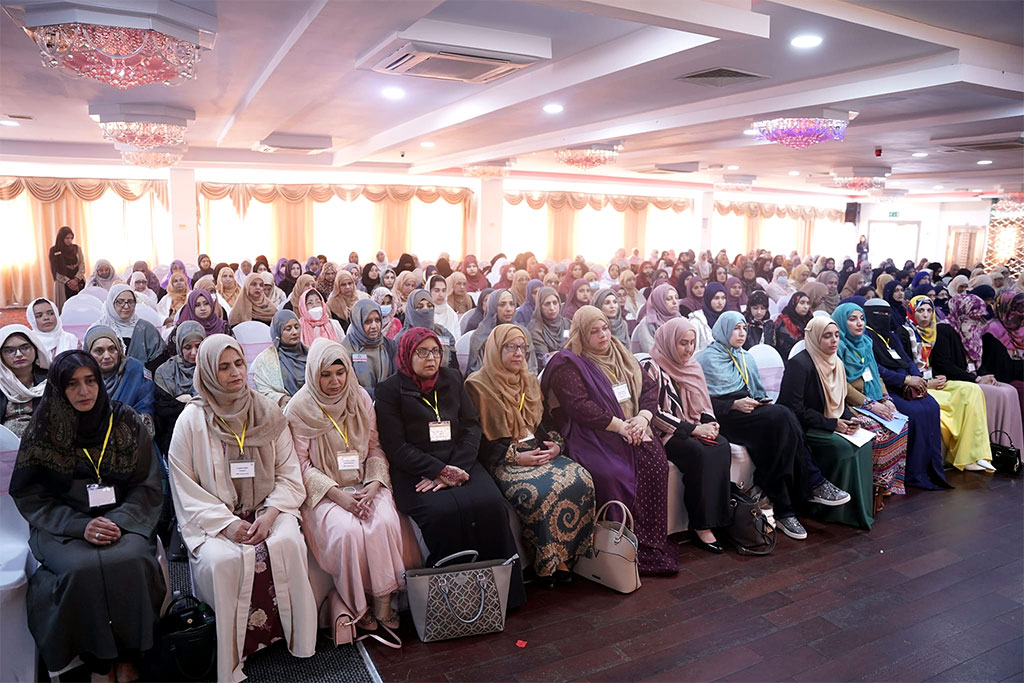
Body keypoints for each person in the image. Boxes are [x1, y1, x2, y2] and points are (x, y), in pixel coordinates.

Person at [167, 335, 317, 682]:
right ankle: (233, 652)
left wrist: (271, 512)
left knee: (287, 543)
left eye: (238, 363)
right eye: (224, 366)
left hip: (266, 508)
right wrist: (227, 524)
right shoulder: (192, 420)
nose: (235, 373)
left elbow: (289, 472)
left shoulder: (266, 410)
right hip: (215, 518)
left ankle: (290, 637)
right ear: (206, 372)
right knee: (222, 561)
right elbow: (184, 486)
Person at [11, 350, 164, 680]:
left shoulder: (123, 420)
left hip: (122, 518)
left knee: (132, 561)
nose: (84, 392)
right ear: (58, 388)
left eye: (90, 381)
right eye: (72, 384)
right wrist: (79, 526)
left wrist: (119, 521)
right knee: (80, 569)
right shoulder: (44, 428)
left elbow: (146, 483)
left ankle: (126, 657)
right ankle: (98, 661)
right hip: (62, 526)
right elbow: (31, 494)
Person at [373, 327, 526, 608]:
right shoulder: (389, 391)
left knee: (490, 503)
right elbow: (396, 447)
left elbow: (471, 427)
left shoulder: (453, 378)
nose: (430, 359)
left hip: (461, 460)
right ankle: (453, 603)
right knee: (440, 513)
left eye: (435, 351)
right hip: (417, 469)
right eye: (422, 352)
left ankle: (502, 596)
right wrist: (438, 470)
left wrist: (454, 469)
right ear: (407, 354)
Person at [541, 306, 678, 573]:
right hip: (593, 434)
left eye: (605, 327)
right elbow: (578, 406)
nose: (603, 335)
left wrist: (642, 419)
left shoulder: (622, 354)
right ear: (581, 334)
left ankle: (649, 543)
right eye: (594, 331)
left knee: (656, 462)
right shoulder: (569, 363)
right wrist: (620, 427)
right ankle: (619, 547)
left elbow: (649, 388)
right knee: (613, 473)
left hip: (634, 427)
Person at [284, 339, 406, 632]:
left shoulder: (360, 398)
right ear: (313, 374)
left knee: (385, 522)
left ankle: (384, 601)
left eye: (340, 372)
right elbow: (299, 466)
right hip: (326, 492)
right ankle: (356, 604)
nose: (335, 381)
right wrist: (339, 497)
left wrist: (375, 485)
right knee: (347, 532)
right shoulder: (299, 409)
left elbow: (375, 447)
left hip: (365, 483)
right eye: (326, 374)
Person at [696, 311, 850, 540]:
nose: (741, 333)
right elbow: (701, 404)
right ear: (723, 329)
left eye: (744, 329)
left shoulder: (745, 357)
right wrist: (733, 405)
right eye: (736, 328)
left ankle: (785, 508)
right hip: (725, 417)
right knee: (782, 416)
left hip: (752, 411)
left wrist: (758, 401)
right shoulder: (705, 359)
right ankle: (812, 483)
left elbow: (756, 391)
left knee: (782, 429)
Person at [466, 324, 596, 585]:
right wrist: (515, 457)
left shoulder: (528, 379)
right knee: (539, 492)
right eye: (510, 347)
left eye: (522, 347)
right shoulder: (477, 385)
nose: (518, 353)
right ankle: (546, 562)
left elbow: (544, 423)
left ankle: (568, 555)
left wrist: (557, 445)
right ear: (495, 349)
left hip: (537, 451)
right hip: (504, 458)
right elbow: (477, 440)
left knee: (582, 478)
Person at [642, 319, 732, 553]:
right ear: (670, 342)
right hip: (665, 433)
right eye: (683, 343)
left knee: (721, 445)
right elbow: (654, 413)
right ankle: (700, 526)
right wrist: (693, 430)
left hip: (693, 427)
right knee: (698, 452)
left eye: (692, 343)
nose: (689, 349)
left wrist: (709, 423)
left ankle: (720, 519)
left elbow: (703, 402)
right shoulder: (652, 366)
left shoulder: (691, 365)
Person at [778, 317, 876, 529]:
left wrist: (850, 419)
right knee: (843, 447)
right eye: (827, 336)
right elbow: (794, 409)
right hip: (802, 428)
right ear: (814, 338)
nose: (834, 341)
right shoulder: (799, 365)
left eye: (837, 336)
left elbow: (839, 401)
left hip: (828, 421)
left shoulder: (836, 363)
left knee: (864, 443)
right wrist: (833, 424)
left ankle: (859, 510)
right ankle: (829, 510)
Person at [859, 299, 951, 488]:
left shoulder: (891, 336)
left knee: (932, 406)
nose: (884, 318)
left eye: (887, 314)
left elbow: (908, 360)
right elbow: (877, 369)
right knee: (914, 413)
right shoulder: (866, 337)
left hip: (909, 384)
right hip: (890, 386)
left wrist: (918, 379)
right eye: (878, 314)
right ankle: (913, 472)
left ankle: (932, 469)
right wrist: (906, 380)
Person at [903, 295, 999, 472]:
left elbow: (938, 364)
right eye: (920, 310)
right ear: (911, 312)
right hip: (918, 384)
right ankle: (959, 455)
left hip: (934, 381)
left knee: (971, 390)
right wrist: (927, 382)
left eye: (929, 310)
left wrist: (938, 378)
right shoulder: (903, 333)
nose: (925, 315)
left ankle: (975, 454)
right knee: (948, 403)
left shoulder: (934, 332)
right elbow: (905, 367)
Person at [931, 294, 1023, 456]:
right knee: (1001, 393)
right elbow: (945, 365)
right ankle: (990, 447)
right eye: (973, 316)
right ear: (961, 313)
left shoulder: (970, 331)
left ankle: (1010, 448)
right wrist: (977, 379)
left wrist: (988, 376)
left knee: (1010, 391)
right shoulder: (944, 329)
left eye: (979, 317)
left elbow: (978, 360)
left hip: (973, 377)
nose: (976, 321)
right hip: (956, 380)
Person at [85, 326, 156, 436]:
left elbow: (146, 413)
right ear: (88, 354)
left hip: (133, 440)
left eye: (112, 349)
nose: (107, 356)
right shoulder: (82, 377)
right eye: (99, 351)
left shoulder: (135, 370)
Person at [154, 320, 204, 456]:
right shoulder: (166, 371)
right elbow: (163, 410)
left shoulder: (210, 368)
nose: (194, 353)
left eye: (198, 346)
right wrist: (197, 402)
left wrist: (183, 401)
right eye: (188, 347)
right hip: (174, 433)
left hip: (207, 432)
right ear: (180, 347)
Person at [96, 285, 166, 372]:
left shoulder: (145, 329)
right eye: (120, 302)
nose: (126, 306)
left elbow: (160, 361)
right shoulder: (99, 329)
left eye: (130, 302)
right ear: (111, 303)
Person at [0, 325, 50, 438]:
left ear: (35, 348)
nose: (18, 354)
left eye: (25, 347)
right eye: (9, 350)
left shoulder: (50, 380)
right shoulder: (1, 384)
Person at [341, 299, 397, 399]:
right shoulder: (346, 349)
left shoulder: (389, 345)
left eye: (377, 320)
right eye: (367, 322)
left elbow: (396, 378)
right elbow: (346, 385)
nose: (374, 326)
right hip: (358, 403)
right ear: (357, 322)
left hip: (387, 402)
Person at [252, 310, 308, 408]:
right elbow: (262, 390)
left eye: (296, 327)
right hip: (282, 411)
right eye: (288, 329)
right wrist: (281, 399)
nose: (294, 332)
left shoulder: (311, 353)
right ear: (278, 332)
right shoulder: (266, 359)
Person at [982, 291, 1024, 407]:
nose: (1021, 314)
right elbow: (1000, 369)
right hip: (1002, 380)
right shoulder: (993, 332)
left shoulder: (1021, 329)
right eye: (1017, 309)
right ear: (1005, 309)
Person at [468, 289, 519, 374]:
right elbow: (478, 372)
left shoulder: (521, 333)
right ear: (493, 307)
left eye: (512, 304)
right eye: (502, 305)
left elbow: (531, 367)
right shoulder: (480, 337)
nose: (509, 309)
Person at [527, 286, 571, 372]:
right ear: (540, 306)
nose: (552, 308)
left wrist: (557, 354)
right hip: (549, 372)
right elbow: (545, 358)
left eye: (555, 303)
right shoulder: (535, 329)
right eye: (547, 304)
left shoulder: (568, 324)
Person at [631, 283, 680, 354]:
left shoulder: (680, 319)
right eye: (669, 299)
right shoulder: (648, 323)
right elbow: (650, 350)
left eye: (676, 298)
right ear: (659, 301)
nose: (675, 302)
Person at [774, 291, 813, 362]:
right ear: (794, 303)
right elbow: (784, 345)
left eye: (807, 303)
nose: (805, 307)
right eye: (802, 303)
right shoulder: (783, 321)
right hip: (787, 358)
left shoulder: (810, 319)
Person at [689, 282, 728, 351]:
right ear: (708, 298)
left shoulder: (728, 318)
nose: (720, 302)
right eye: (716, 298)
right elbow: (693, 350)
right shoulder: (697, 321)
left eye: (723, 298)